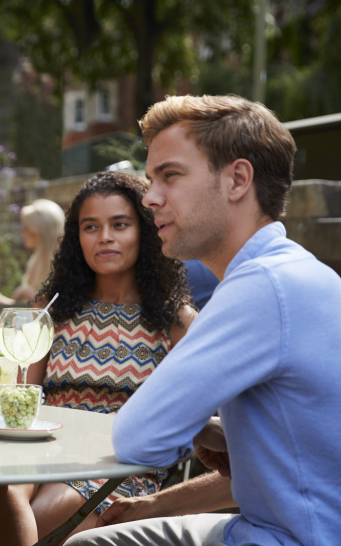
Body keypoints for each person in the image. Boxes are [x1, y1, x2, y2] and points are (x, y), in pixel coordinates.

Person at [67, 95, 341, 546]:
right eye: (151, 178)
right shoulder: (300, 273)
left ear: (237, 179)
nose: (150, 198)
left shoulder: (261, 287)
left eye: (170, 176)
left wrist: (184, 425)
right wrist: (220, 433)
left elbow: (138, 440)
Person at [0, 171, 196, 545]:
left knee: (29, 511)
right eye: (90, 226)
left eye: (120, 224)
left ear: (144, 230)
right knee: (4, 488)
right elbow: (21, 400)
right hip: (42, 449)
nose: (105, 236)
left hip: (120, 466)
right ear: (77, 238)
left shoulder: (175, 321)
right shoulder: (49, 312)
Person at [0, 199, 65, 304]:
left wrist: (24, 291)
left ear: (39, 230)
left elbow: (48, 306)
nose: (22, 231)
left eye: (26, 227)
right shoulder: (35, 260)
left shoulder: (61, 264)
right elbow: (26, 308)